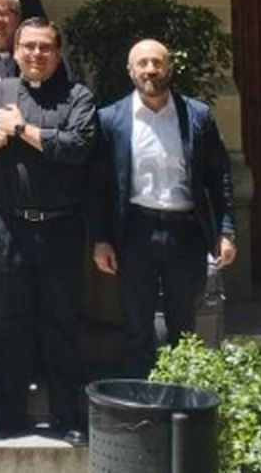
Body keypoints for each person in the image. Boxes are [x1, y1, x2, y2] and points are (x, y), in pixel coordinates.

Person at [0, 18, 96, 445]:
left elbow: (77, 148)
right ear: (15, 52)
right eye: (28, 47)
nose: (36, 55)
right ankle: (10, 414)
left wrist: (22, 129)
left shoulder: (78, 97)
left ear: (58, 53)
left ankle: (66, 415)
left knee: (61, 325)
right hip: (7, 227)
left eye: (45, 48)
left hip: (60, 228)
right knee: (9, 323)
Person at [91, 39, 238, 378]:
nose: (150, 70)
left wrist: (227, 231)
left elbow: (220, 177)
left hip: (185, 232)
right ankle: (141, 396)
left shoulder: (197, 116)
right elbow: (97, 187)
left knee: (184, 323)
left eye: (157, 63)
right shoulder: (111, 120)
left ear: (169, 69)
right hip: (135, 232)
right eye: (142, 63)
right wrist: (100, 239)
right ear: (130, 71)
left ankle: (183, 396)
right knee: (136, 323)